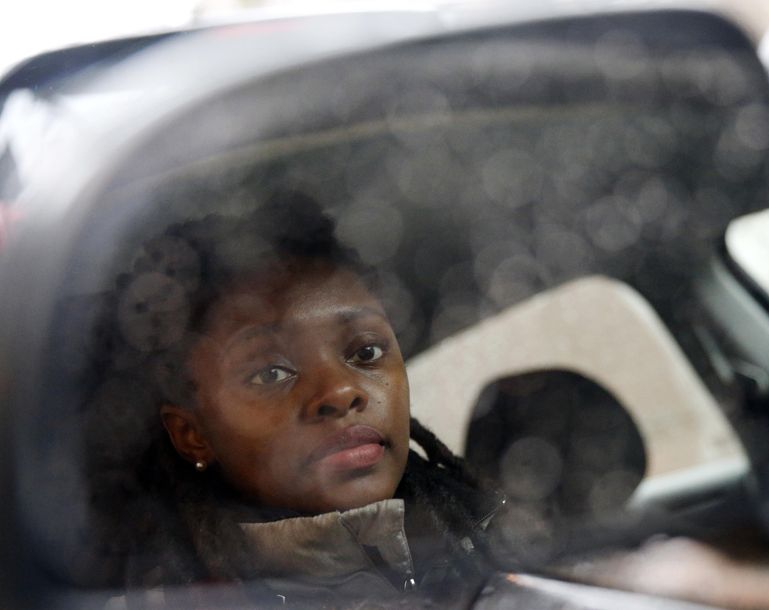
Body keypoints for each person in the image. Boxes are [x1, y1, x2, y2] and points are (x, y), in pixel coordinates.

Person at [80, 191, 505, 605]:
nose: (340, 392)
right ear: (193, 434)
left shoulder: (499, 549)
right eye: (270, 373)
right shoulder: (167, 597)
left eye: (366, 352)